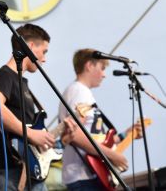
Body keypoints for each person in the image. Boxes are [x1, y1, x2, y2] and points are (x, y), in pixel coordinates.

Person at [0, 23, 75, 191]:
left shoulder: (23, 83)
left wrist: (62, 140)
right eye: (44, 51)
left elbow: (33, 139)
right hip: (11, 174)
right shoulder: (4, 75)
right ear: (31, 46)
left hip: (32, 173)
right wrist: (32, 134)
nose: (45, 59)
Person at [58, 48, 143, 191]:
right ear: (89, 65)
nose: (104, 75)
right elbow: (75, 136)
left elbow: (96, 138)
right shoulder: (80, 92)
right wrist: (112, 156)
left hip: (89, 176)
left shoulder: (79, 91)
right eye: (102, 68)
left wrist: (127, 134)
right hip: (83, 177)